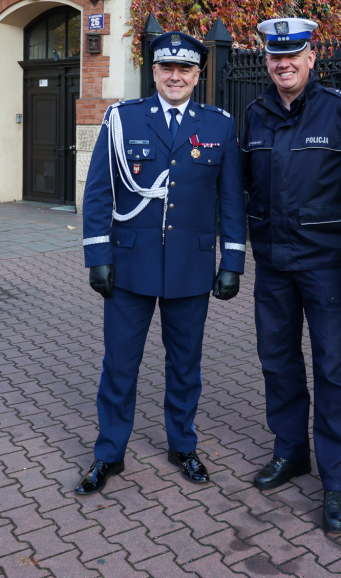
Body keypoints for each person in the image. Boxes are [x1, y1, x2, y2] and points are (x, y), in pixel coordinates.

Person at [76, 31, 247, 494]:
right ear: (153, 72)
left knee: (186, 366)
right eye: (166, 68)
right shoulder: (122, 119)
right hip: (130, 266)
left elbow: (231, 199)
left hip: (191, 268)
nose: (175, 76)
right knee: (119, 366)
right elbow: (99, 191)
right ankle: (109, 453)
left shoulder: (218, 125)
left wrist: (232, 261)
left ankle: (182, 445)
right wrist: (98, 255)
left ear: (198, 74)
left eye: (185, 69)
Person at [241, 17, 341, 533]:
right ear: (267, 61)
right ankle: (291, 451)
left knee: (333, 370)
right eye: (276, 55)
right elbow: (246, 182)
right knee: (277, 361)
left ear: (311, 57)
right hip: (272, 263)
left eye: (293, 54)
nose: (284, 64)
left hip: (324, 265)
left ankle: (337, 480)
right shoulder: (255, 114)